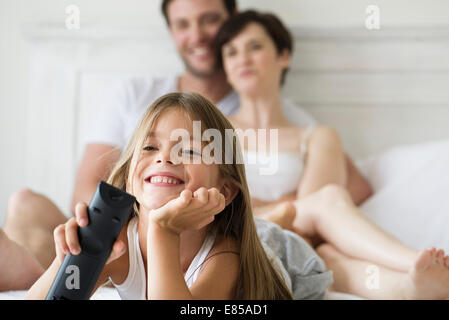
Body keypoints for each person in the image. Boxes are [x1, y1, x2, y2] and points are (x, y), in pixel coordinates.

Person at [0, 0, 368, 291]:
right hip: (137, 217)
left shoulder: (273, 116)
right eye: (148, 148)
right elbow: (95, 187)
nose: (164, 157)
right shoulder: (134, 94)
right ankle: (29, 268)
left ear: (230, 21)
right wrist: (78, 250)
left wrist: (169, 224)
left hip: (257, 240)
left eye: (208, 19)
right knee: (24, 201)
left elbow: (340, 192)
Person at [213, 10, 449, 299]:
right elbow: (310, 204)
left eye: (255, 46)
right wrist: (279, 205)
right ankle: (411, 258)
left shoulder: (318, 136)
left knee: (326, 251)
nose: (243, 59)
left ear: (283, 56)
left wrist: (261, 201)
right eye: (231, 52)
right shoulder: (215, 132)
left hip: (296, 241)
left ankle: (411, 287)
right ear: (225, 68)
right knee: (332, 199)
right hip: (237, 232)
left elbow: (308, 216)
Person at [26, 92, 331, 299]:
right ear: (130, 178)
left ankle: (283, 223)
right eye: (149, 147)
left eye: (188, 150)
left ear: (224, 189)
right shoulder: (118, 244)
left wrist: (163, 229)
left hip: (285, 257)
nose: (164, 158)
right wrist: (67, 260)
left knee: (276, 240)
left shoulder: (224, 255)